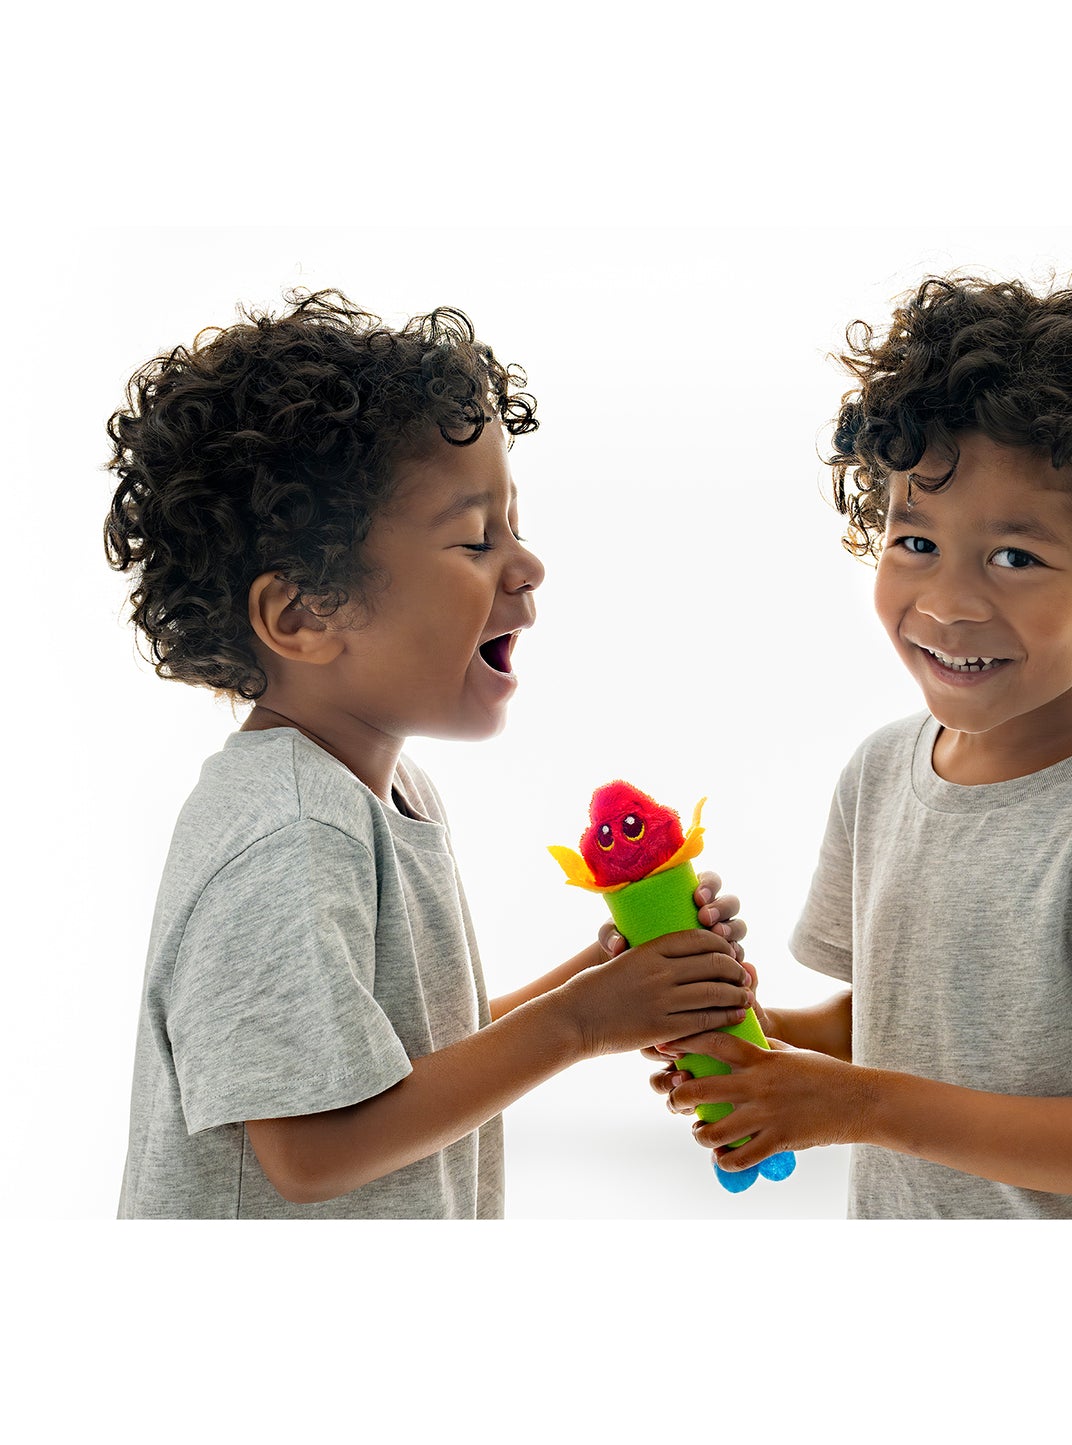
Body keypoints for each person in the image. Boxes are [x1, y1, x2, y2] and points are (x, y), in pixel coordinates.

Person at [650, 276, 1072, 1219]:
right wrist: (753, 1040)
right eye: (915, 541)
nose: (948, 603)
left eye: (1014, 557)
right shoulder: (880, 774)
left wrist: (853, 1104)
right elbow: (897, 1023)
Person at [108, 289, 753, 1219]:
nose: (527, 566)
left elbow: (396, 1065)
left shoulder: (382, 792)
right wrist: (580, 1022)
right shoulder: (290, 835)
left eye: (515, 526)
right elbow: (313, 1150)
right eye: (475, 539)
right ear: (303, 614)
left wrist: (603, 980)